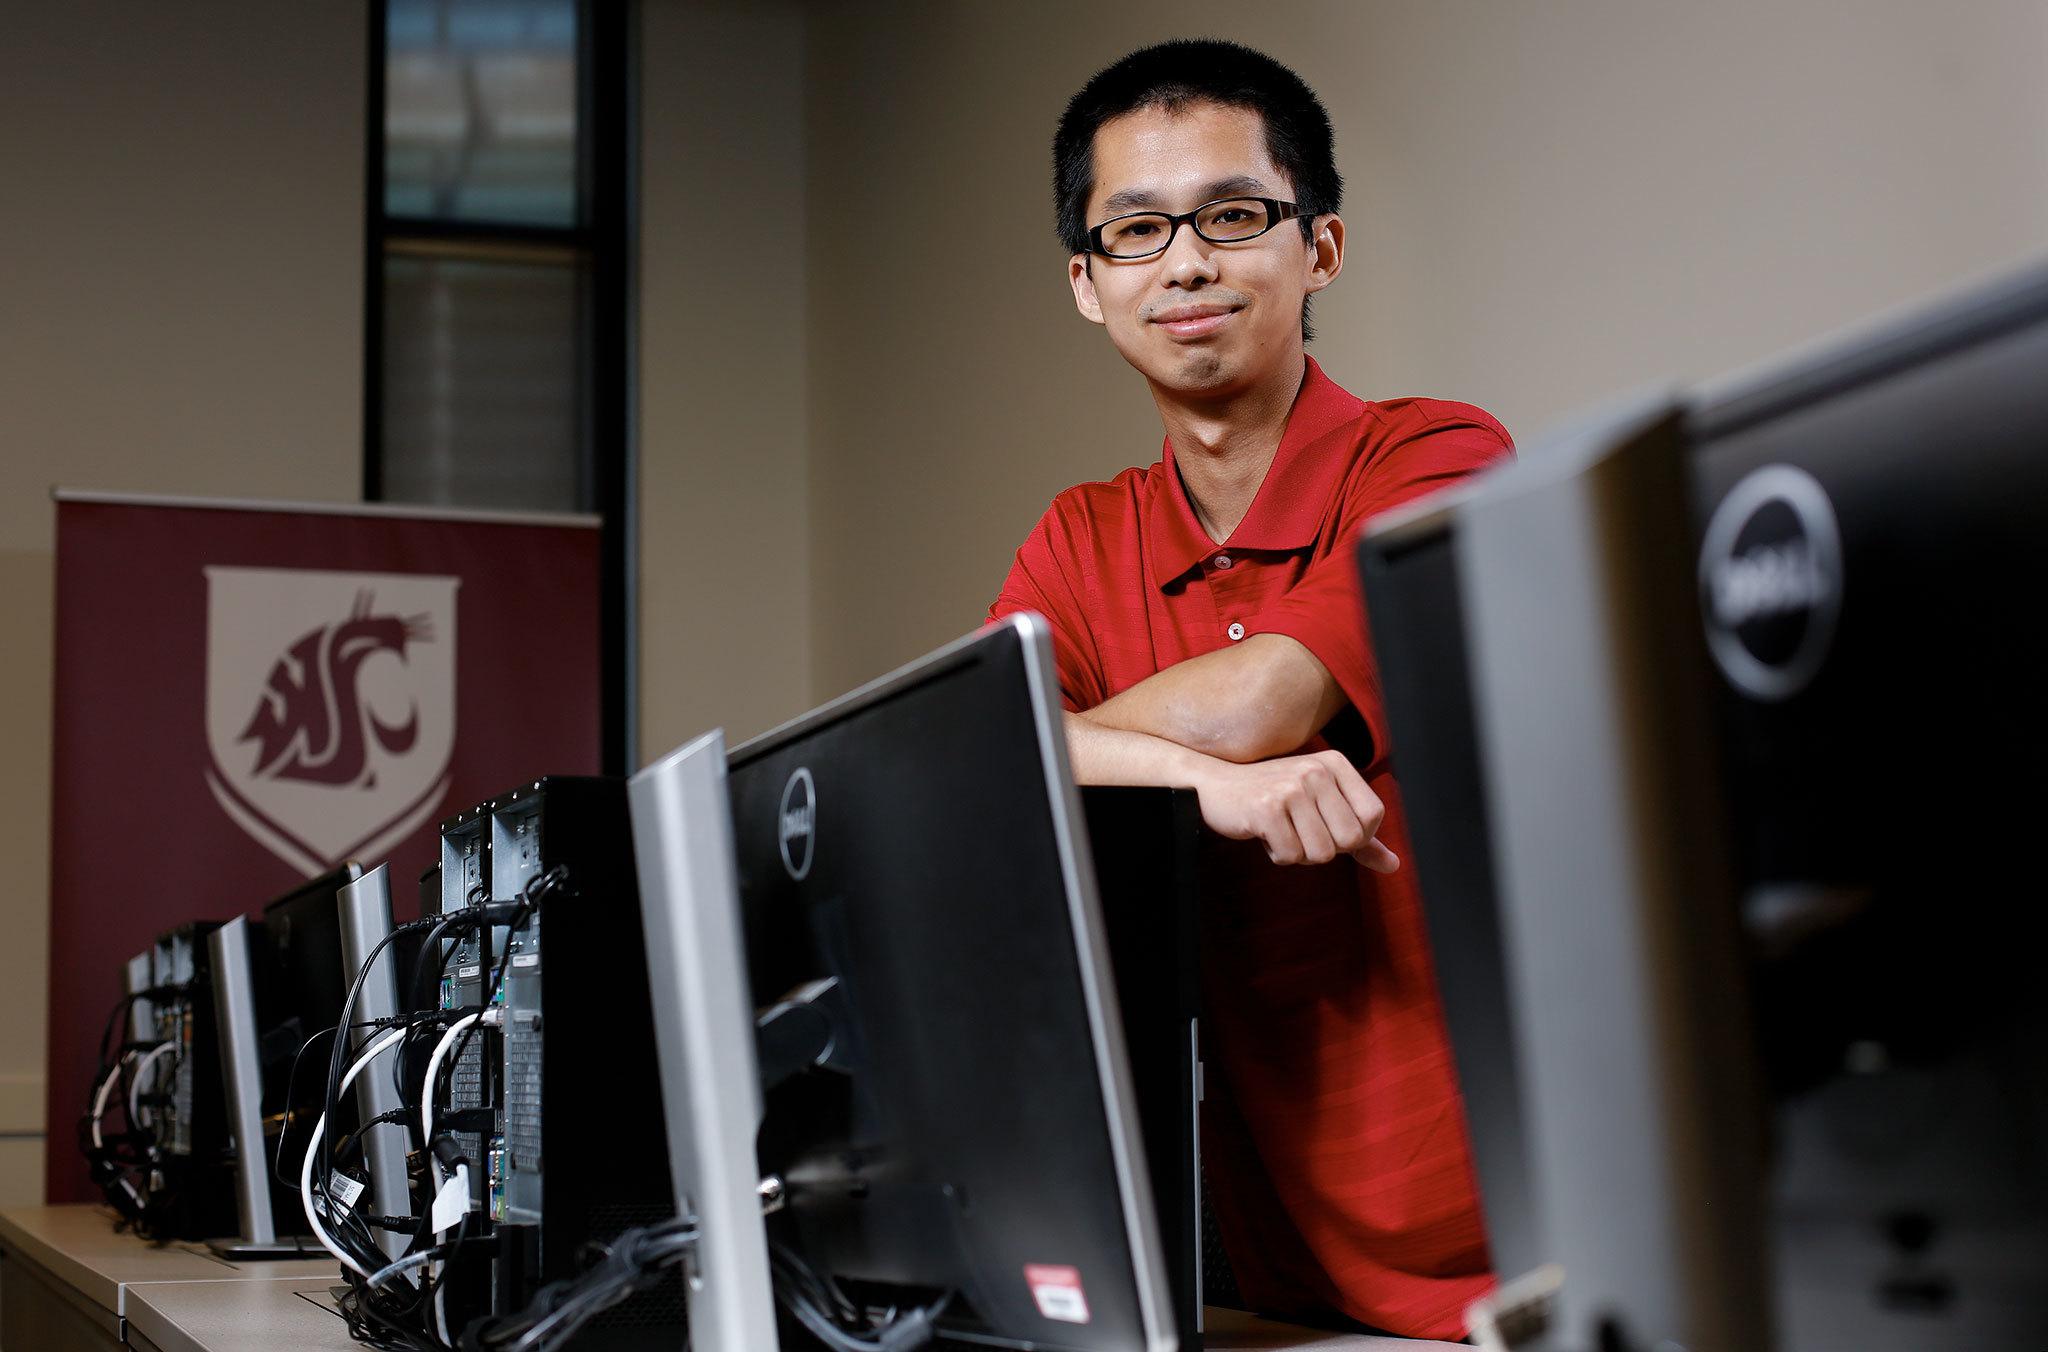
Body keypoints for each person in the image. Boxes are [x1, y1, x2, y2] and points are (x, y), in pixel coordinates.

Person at [987, 39, 1513, 1340]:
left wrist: (1097, 746)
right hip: (1262, 1269)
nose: (1187, 262)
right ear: (1085, 282)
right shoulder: (1079, 537)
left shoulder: (1440, 455)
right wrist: (1198, 785)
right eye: (1137, 231)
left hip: (1514, 1243)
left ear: (1318, 247)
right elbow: (979, 771)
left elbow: (1258, 706)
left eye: (1233, 216)